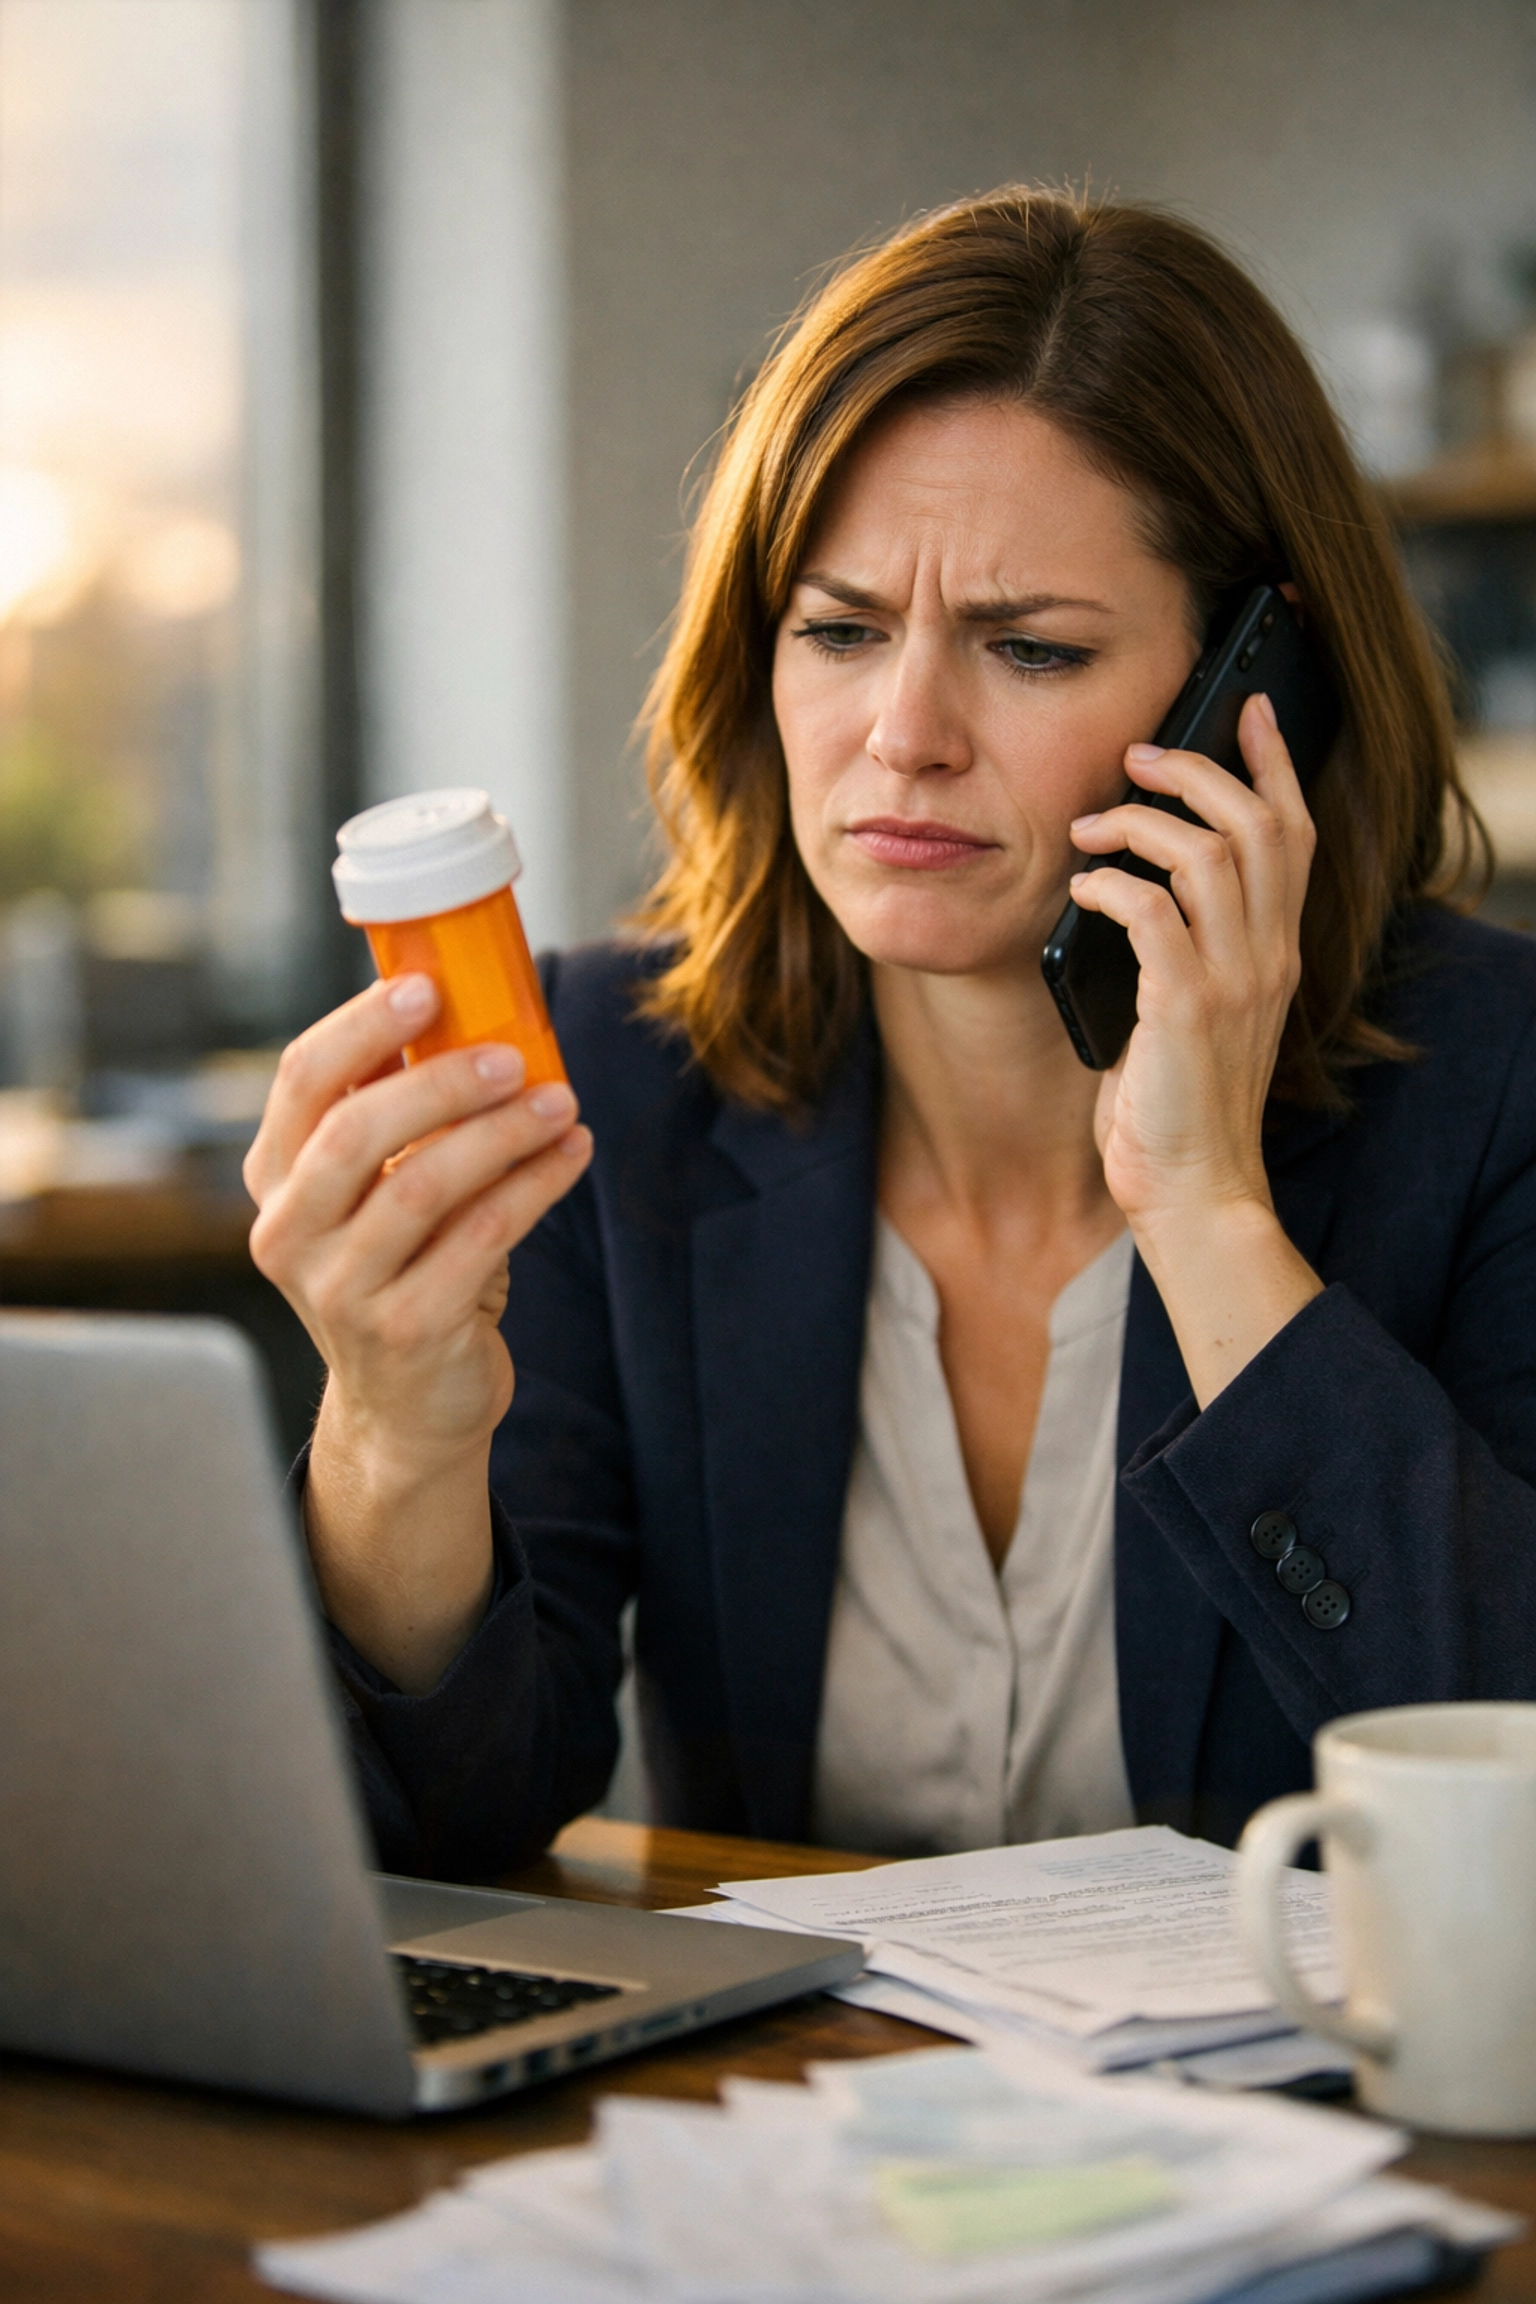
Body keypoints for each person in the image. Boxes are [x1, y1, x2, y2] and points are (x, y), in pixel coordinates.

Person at [246, 188, 1536, 1883]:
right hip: (798, 2061)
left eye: (1031, 648)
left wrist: (1213, 1214)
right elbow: (450, 1827)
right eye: (840, 630)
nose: (904, 733)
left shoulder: (1494, 1087)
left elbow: (1510, 1799)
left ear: (1254, 689)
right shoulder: (611, 1080)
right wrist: (392, 1431)